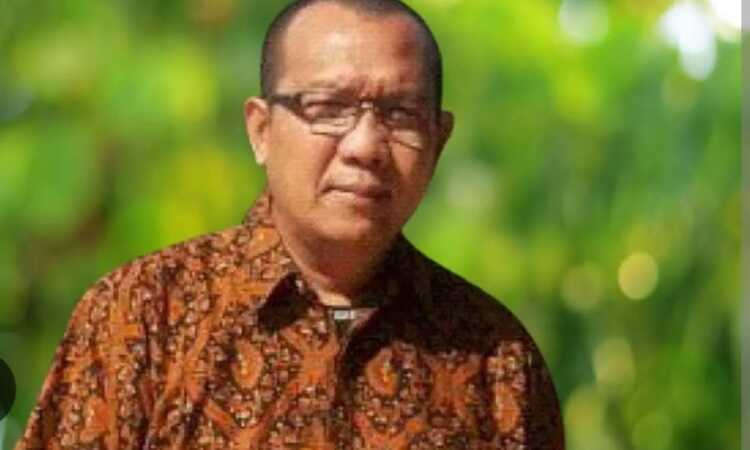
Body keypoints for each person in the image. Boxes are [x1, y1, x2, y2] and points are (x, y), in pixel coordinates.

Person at [16, 0, 565, 448]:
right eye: (328, 108)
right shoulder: (141, 318)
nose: (365, 146)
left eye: (400, 114)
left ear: (438, 140)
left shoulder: (496, 360)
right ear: (261, 130)